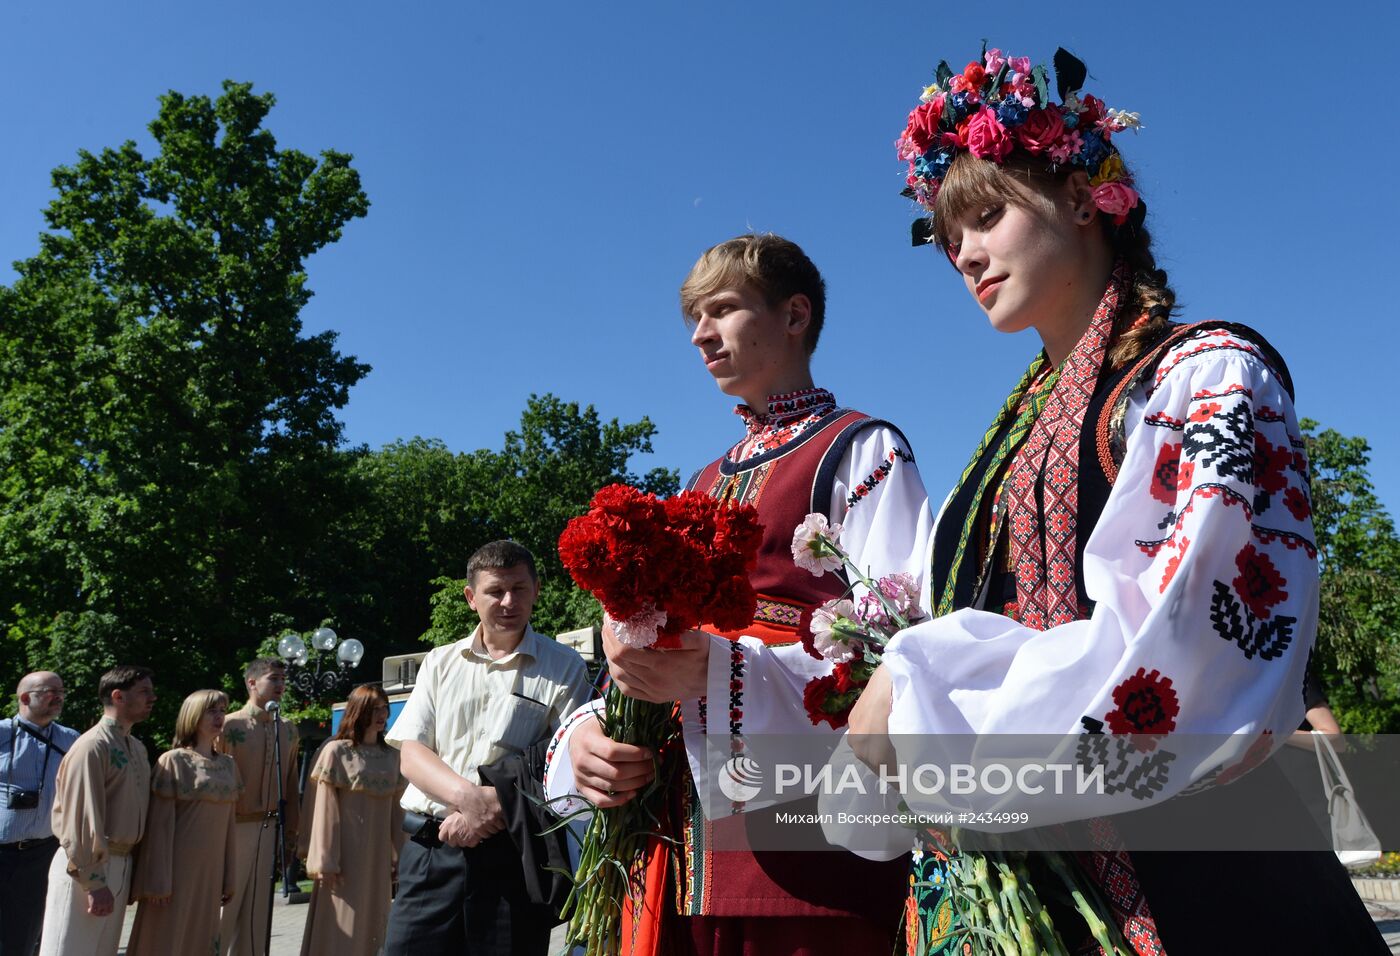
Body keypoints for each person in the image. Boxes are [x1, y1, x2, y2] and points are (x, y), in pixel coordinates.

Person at [844, 45, 1387, 953]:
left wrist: (922, 673)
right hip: (1025, 874)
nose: (966, 255)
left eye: (987, 217)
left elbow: (1185, 649)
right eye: (950, 239)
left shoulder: (1204, 376)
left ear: (1087, 195)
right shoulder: (1006, 437)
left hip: (1202, 880)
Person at [543, 233, 934, 954]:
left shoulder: (860, 448)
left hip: (802, 833)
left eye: (721, 309)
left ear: (794, 315)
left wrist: (725, 669)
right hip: (674, 827)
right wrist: (597, 732)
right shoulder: (701, 482)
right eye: (694, 316)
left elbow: (899, 653)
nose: (699, 334)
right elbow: (659, 649)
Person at [382, 540, 591, 956]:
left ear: (537, 590)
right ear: (471, 597)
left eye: (520, 589)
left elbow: (568, 760)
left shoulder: (566, 666)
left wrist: (493, 808)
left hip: (513, 860)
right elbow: (412, 753)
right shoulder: (440, 662)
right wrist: (469, 801)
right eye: (496, 591)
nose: (509, 601)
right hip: (430, 853)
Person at [38, 665, 156, 956]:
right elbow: (78, 819)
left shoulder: (137, 748)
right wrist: (94, 881)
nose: (152, 698)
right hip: (86, 869)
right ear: (118, 696)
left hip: (121, 865)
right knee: (68, 950)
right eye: (144, 692)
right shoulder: (91, 746)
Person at [127, 689, 241, 955]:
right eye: (211, 710)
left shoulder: (228, 765)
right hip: (175, 872)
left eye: (222, 710)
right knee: (167, 938)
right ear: (193, 715)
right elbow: (160, 827)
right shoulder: (173, 761)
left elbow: (228, 827)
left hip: (210, 872)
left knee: (202, 938)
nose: (219, 717)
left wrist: (229, 875)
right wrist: (157, 880)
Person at [298, 683, 405, 956]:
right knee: (341, 921)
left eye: (385, 707)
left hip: (377, 856)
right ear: (359, 711)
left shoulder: (393, 756)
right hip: (343, 857)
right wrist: (325, 859)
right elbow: (325, 808)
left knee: (375, 920)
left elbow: (398, 812)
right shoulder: (337, 752)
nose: (383, 714)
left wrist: (401, 857)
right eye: (375, 708)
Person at [219, 658, 300, 956]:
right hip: (233, 827)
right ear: (252, 683)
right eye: (273, 679)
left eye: (282, 679)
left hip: (271, 828)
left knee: (258, 917)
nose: (280, 685)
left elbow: (291, 784)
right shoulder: (228, 725)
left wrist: (290, 835)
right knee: (224, 911)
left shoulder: (289, 730)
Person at [0, 672, 79, 956]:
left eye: (61, 690)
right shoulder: (2, 733)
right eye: (49, 691)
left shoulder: (71, 740)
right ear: (25, 698)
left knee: (25, 935)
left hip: (40, 854)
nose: (58, 696)